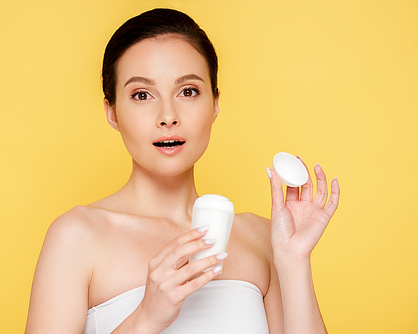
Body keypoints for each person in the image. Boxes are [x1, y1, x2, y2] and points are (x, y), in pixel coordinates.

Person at [25, 8, 340, 334]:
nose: (168, 116)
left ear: (215, 103)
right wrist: (145, 318)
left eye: (188, 91)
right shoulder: (76, 237)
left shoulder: (263, 237)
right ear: (112, 112)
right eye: (142, 95)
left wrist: (293, 261)